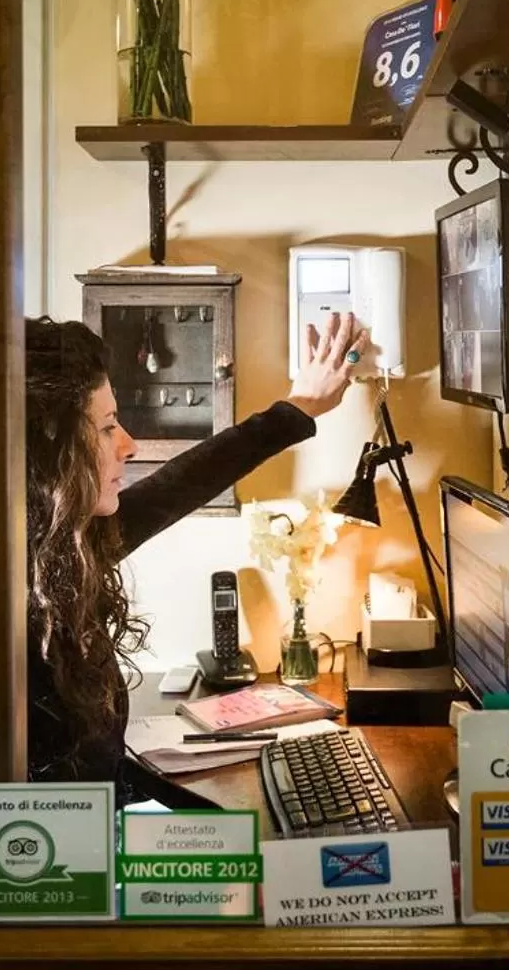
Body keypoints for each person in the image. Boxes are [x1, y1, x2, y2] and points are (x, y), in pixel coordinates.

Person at [25, 309, 364, 803]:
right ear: (49, 455)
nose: (129, 445)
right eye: (106, 428)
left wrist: (300, 407)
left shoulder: (68, 549)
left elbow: (175, 488)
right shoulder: (11, 600)